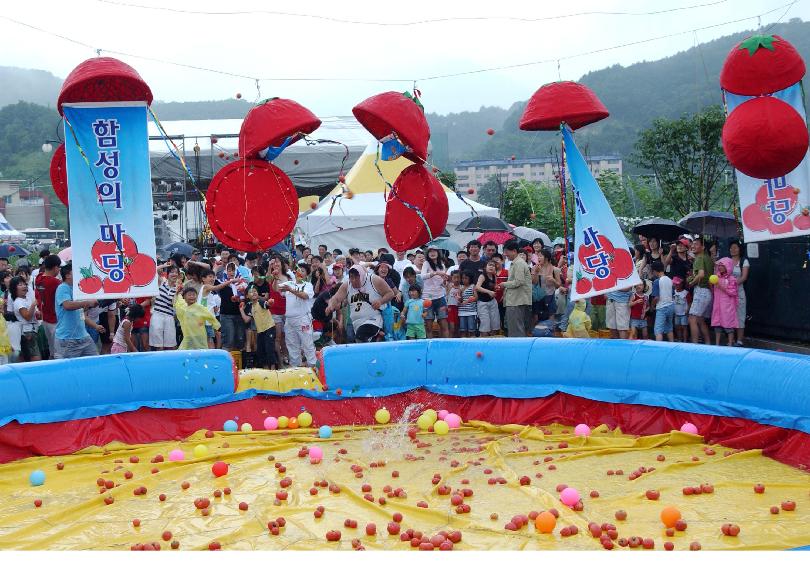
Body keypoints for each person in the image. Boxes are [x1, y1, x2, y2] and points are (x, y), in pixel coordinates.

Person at [326, 264, 395, 343]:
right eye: (351, 277)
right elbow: (336, 298)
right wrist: (330, 305)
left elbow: (390, 293)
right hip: (356, 323)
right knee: (361, 341)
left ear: (362, 275)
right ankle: (377, 337)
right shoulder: (347, 285)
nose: (354, 280)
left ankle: (378, 335)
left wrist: (380, 301)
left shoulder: (374, 280)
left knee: (361, 336)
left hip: (373, 319)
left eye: (356, 277)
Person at [54, 264, 100, 359]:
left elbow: (80, 314)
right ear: (67, 275)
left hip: (83, 336)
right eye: (74, 271)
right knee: (69, 369)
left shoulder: (77, 289)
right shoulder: (63, 287)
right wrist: (87, 303)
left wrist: (95, 325)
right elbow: (67, 305)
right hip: (68, 338)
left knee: (95, 362)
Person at [277, 265, 317, 366]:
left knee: (307, 345)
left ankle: (313, 367)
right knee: (292, 345)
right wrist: (274, 278)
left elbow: (304, 296)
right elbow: (277, 288)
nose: (300, 272)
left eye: (303, 271)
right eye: (298, 270)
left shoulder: (308, 285)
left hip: (303, 319)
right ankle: (296, 369)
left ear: (306, 275)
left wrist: (291, 290)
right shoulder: (289, 283)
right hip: (289, 320)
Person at [498, 241, 532, 337]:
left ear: (513, 251)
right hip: (515, 300)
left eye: (506, 251)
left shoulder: (519, 264)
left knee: (516, 329)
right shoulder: (516, 263)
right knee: (515, 327)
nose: (505, 254)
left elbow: (518, 281)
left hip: (517, 301)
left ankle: (518, 350)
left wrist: (504, 284)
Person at [240, 287, 278, 369]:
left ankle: (273, 371)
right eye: (251, 292)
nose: (253, 293)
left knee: (269, 349)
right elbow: (247, 320)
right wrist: (241, 310)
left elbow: (267, 304)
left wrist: (270, 302)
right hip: (260, 332)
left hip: (269, 328)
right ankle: (265, 371)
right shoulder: (251, 307)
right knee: (260, 351)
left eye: (255, 291)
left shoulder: (260, 302)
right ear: (247, 296)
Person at [174, 284, 221, 350]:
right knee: (185, 352)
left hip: (200, 336)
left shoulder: (200, 308)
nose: (192, 297)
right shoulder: (183, 307)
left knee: (201, 352)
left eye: (194, 295)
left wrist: (216, 326)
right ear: (184, 297)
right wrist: (178, 294)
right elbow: (178, 302)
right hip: (188, 337)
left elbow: (210, 316)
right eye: (189, 295)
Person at [688, 237, 714, 345]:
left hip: (701, 291)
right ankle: (708, 343)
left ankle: (695, 344)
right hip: (708, 291)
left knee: (692, 318)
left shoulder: (699, 258)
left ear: (703, 247)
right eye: (692, 244)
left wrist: (691, 283)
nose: (693, 246)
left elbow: (701, 274)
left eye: (696, 244)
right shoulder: (708, 258)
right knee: (700, 319)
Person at [35, 254, 62, 358]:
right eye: (59, 267)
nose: (59, 270)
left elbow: (37, 296)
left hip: (45, 318)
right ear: (55, 267)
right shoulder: (56, 282)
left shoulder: (38, 278)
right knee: (59, 350)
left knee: (52, 348)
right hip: (55, 319)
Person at [420, 247, 450, 338]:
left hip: (440, 297)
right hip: (427, 298)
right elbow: (422, 276)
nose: (432, 253)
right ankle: (429, 345)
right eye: (430, 252)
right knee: (429, 325)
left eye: (434, 251)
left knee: (443, 323)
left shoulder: (442, 264)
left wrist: (445, 281)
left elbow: (442, 283)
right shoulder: (426, 263)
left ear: (438, 253)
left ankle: (445, 345)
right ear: (427, 254)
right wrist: (436, 273)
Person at [10, 276, 40, 361]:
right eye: (20, 284)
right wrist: (33, 306)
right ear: (14, 288)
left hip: (32, 330)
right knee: (35, 356)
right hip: (27, 331)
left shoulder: (26, 299)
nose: (24, 286)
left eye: (24, 284)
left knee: (28, 355)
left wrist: (37, 313)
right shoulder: (18, 301)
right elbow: (27, 316)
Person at [150, 265, 180, 350]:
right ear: (167, 274)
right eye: (172, 272)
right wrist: (165, 265)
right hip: (157, 315)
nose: (174, 274)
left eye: (176, 272)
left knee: (171, 345)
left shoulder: (179, 288)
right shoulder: (162, 281)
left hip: (170, 316)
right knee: (158, 345)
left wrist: (177, 293)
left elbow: (175, 304)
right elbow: (153, 270)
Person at [711, 258, 739, 347]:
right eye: (719, 265)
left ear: (728, 267)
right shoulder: (716, 277)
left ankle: (730, 344)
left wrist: (720, 286)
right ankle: (717, 344)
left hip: (727, 307)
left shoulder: (732, 279)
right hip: (717, 305)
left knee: (729, 326)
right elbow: (713, 291)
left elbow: (733, 292)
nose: (720, 267)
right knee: (717, 325)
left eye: (722, 265)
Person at [729, 239, 749, 347]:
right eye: (731, 247)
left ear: (740, 249)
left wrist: (732, 284)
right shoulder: (727, 261)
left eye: (735, 247)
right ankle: (730, 339)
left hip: (739, 292)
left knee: (740, 315)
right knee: (729, 315)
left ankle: (740, 340)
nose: (733, 249)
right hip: (727, 293)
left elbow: (744, 277)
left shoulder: (744, 261)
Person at [650, 261, 675, 342]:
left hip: (661, 307)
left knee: (658, 330)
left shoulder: (657, 281)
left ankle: (658, 347)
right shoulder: (670, 280)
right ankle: (672, 345)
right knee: (669, 328)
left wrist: (652, 306)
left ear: (654, 271)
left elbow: (656, 297)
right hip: (671, 306)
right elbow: (672, 294)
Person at [475, 261, 500, 337]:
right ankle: (483, 343)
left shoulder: (494, 276)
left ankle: (492, 343)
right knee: (485, 325)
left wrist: (496, 287)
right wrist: (489, 292)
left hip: (492, 302)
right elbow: (477, 287)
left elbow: (494, 286)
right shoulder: (482, 276)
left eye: (493, 266)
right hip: (483, 303)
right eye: (489, 265)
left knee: (495, 324)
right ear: (485, 267)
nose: (491, 267)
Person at [457, 271, 478, 338]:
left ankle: (473, 344)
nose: (464, 280)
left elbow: (476, 297)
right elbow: (460, 300)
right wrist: (459, 295)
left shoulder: (473, 286)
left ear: (470, 279)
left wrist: (469, 300)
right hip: (462, 311)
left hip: (471, 312)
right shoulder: (460, 287)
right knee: (462, 330)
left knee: (471, 330)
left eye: (466, 278)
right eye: (462, 278)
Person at [672, 277, 690, 342]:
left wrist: (687, 310)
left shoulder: (686, 293)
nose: (676, 286)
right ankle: (680, 339)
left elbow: (689, 302)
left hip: (684, 313)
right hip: (676, 313)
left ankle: (685, 340)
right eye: (675, 284)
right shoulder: (673, 292)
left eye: (677, 284)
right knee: (677, 327)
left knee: (684, 327)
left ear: (681, 284)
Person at [445, 270, 461, 337]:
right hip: (450, 308)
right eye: (454, 278)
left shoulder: (461, 287)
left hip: (459, 308)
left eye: (458, 277)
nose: (456, 279)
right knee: (452, 328)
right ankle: (450, 342)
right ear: (451, 278)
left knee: (458, 327)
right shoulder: (449, 285)